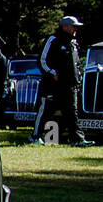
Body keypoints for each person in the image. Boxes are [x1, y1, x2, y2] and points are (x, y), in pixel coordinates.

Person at [31, 16, 93, 146]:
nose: (75, 29)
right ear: (65, 27)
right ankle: (35, 137)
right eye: (73, 26)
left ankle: (77, 139)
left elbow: (76, 64)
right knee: (46, 110)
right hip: (53, 85)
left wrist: (78, 78)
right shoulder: (53, 40)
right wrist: (52, 73)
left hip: (70, 85)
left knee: (72, 112)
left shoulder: (73, 43)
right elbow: (42, 60)